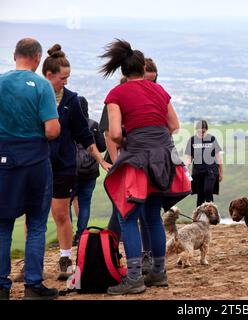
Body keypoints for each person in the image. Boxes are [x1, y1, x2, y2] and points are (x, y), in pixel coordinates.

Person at [100, 39, 191, 295]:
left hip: (137, 159)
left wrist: (130, 138)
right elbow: (174, 125)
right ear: (142, 68)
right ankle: (159, 273)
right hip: (163, 158)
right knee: (152, 217)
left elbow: (115, 133)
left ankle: (133, 278)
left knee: (127, 216)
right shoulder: (159, 91)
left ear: (122, 70)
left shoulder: (116, 94)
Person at [42, 44, 111, 280]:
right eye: (63, 78)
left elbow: (84, 134)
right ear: (48, 75)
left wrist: (101, 160)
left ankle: (65, 259)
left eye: (68, 77)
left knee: (61, 214)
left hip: (63, 166)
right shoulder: (36, 96)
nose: (66, 82)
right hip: (37, 164)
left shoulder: (71, 100)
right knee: (35, 216)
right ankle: (31, 263)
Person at [0, 38, 60, 300]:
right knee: (36, 224)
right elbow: (52, 129)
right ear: (37, 58)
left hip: (4, 160)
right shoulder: (42, 86)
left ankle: (1, 287)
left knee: (2, 225)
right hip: (35, 160)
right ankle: (33, 287)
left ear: (15, 56)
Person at [99, 57, 159, 275]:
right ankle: (109, 254)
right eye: (147, 79)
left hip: (144, 160)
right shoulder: (118, 96)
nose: (149, 84)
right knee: (121, 213)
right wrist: (116, 164)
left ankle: (146, 256)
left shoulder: (150, 94)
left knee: (147, 214)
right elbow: (108, 134)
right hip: (124, 161)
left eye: (153, 80)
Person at [70, 96, 107, 246]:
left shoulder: (68, 124)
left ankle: (67, 232)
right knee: (85, 203)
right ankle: (81, 234)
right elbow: (102, 147)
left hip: (71, 171)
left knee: (66, 203)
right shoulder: (93, 125)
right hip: (90, 171)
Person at [185, 120, 223, 207]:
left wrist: (221, 172)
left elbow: (218, 157)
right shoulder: (192, 140)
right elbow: (189, 157)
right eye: (199, 131)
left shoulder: (212, 139)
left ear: (206, 130)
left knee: (208, 191)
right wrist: (185, 167)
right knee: (200, 195)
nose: (201, 133)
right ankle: (198, 217)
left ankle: (212, 216)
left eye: (203, 131)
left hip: (211, 171)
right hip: (197, 172)